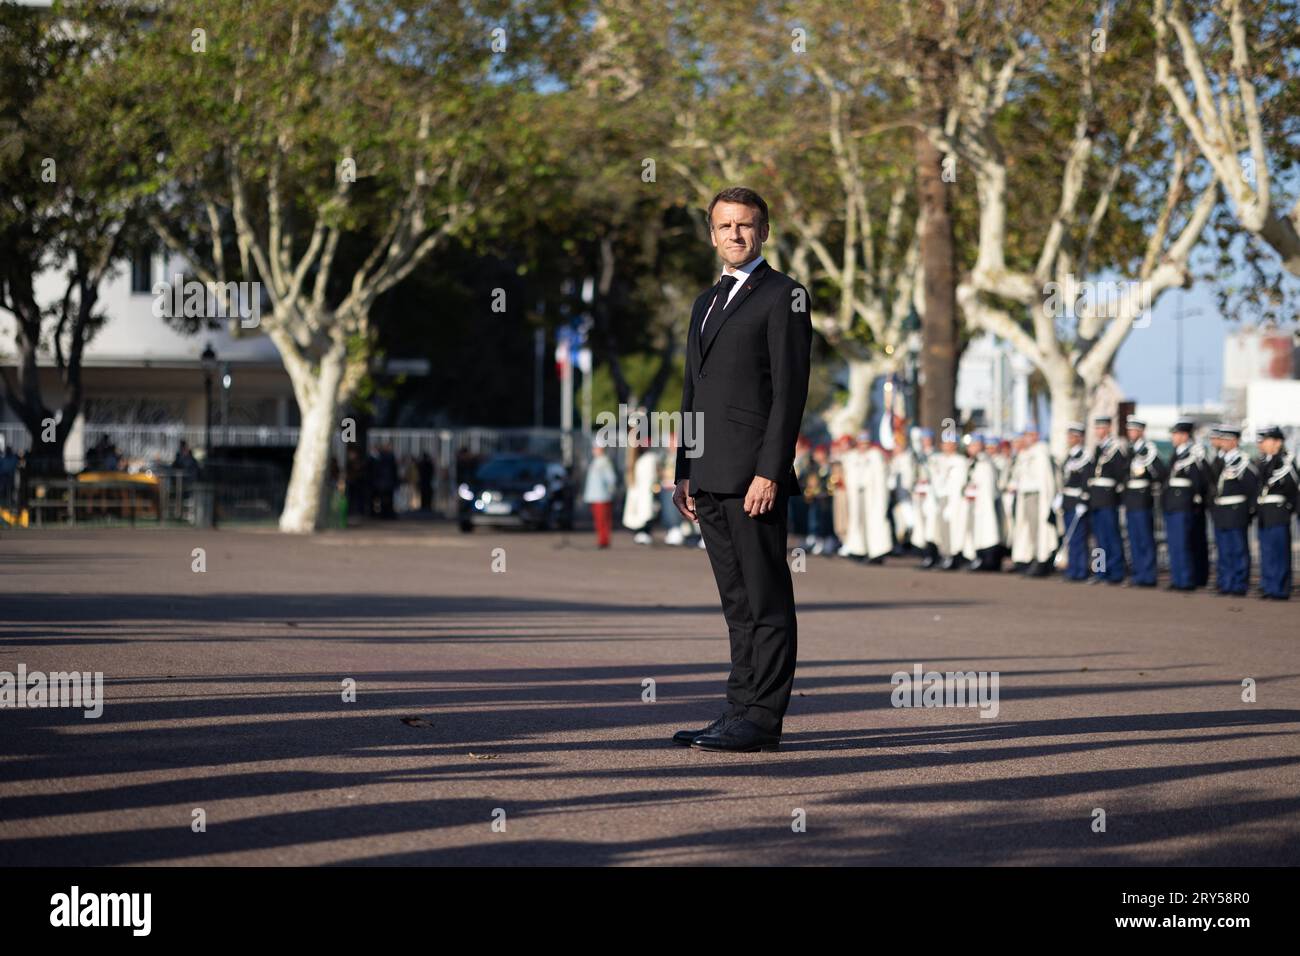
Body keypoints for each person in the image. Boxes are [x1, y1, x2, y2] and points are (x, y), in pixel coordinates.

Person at [670, 186, 812, 754]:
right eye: (725, 226)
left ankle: (763, 718)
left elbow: (789, 393)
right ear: (711, 233)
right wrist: (684, 467)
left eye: (746, 226)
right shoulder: (703, 302)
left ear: (764, 232)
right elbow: (691, 391)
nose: (736, 235)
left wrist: (770, 471)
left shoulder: (785, 296)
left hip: (755, 478)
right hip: (708, 476)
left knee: (766, 597)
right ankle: (737, 708)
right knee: (736, 602)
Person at [1209, 424, 1259, 596]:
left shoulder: (1243, 461)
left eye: (1225, 439)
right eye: (1221, 439)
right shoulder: (1219, 461)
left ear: (1235, 441)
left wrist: (1249, 510)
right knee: (1223, 550)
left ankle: (1238, 585)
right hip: (1221, 510)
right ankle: (1226, 583)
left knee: (1238, 549)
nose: (1221, 442)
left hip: (1236, 511)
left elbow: (1252, 487)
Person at [1163, 419, 1210, 591]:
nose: (1173, 437)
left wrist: (1195, 500)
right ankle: (1177, 578)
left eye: (1175, 434)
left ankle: (1186, 579)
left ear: (1184, 435)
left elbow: (1199, 480)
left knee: (1184, 543)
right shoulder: (1177, 454)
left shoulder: (1193, 454)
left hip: (1184, 504)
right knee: (1174, 544)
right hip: (1173, 504)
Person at [1253, 425, 1297, 600]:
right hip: (1265, 512)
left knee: (1279, 552)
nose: (1261, 444)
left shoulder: (1285, 461)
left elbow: (1293, 487)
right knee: (1267, 551)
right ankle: (1269, 585)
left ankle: (1280, 588)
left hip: (1278, 511)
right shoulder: (1264, 462)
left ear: (1277, 442)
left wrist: (1288, 508)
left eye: (1265, 440)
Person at [1122, 415, 1166, 587]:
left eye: (1134, 430)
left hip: (1142, 497)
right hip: (1131, 498)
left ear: (1141, 431)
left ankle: (1148, 575)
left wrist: (1150, 477)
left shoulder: (1148, 450)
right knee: (1134, 538)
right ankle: (1138, 574)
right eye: (1129, 430)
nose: (1131, 433)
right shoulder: (1131, 450)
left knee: (1145, 538)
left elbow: (1160, 472)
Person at [1008, 426, 1059, 576]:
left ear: (1036, 436)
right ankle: (1030, 559)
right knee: (1028, 531)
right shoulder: (1026, 454)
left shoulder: (1040, 453)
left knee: (1039, 531)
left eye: (1029, 435)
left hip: (1037, 496)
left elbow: (1045, 480)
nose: (1025, 439)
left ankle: (1040, 560)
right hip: (1025, 496)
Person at [1087, 415, 1128, 584]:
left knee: (1111, 536)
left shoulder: (1115, 449)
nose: (1098, 431)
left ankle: (1116, 572)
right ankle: (1100, 571)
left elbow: (1120, 474)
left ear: (1108, 429)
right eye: (1097, 428)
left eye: (1101, 428)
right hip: (1097, 498)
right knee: (1099, 538)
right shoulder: (1098, 449)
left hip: (1108, 498)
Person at [954, 433, 1004, 571]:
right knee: (977, 533)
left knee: (987, 532)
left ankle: (988, 561)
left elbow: (987, 489)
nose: (971, 448)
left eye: (974, 445)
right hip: (974, 504)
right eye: (970, 446)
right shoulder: (973, 462)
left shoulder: (985, 463)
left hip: (984, 505)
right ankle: (979, 559)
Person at [1056, 422, 1092, 581]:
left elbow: (1086, 479)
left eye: (1073, 436)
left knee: (1078, 538)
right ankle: (1073, 569)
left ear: (1079, 438)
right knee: (1070, 538)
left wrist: (1083, 500)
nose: (1069, 439)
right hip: (1068, 501)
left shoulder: (1085, 457)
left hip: (1078, 500)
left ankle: (1081, 570)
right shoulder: (1069, 456)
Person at [622, 439, 659, 544]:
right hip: (638, 492)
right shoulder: (635, 459)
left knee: (647, 513)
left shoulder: (650, 457)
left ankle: (645, 532)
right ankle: (640, 532)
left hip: (647, 491)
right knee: (638, 515)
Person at [583, 442, 618, 548]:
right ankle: (601, 539)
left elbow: (611, 479)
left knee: (603, 520)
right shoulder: (596, 461)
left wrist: (610, 492)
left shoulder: (604, 462)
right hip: (595, 496)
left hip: (602, 497)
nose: (594, 450)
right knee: (598, 520)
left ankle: (604, 540)